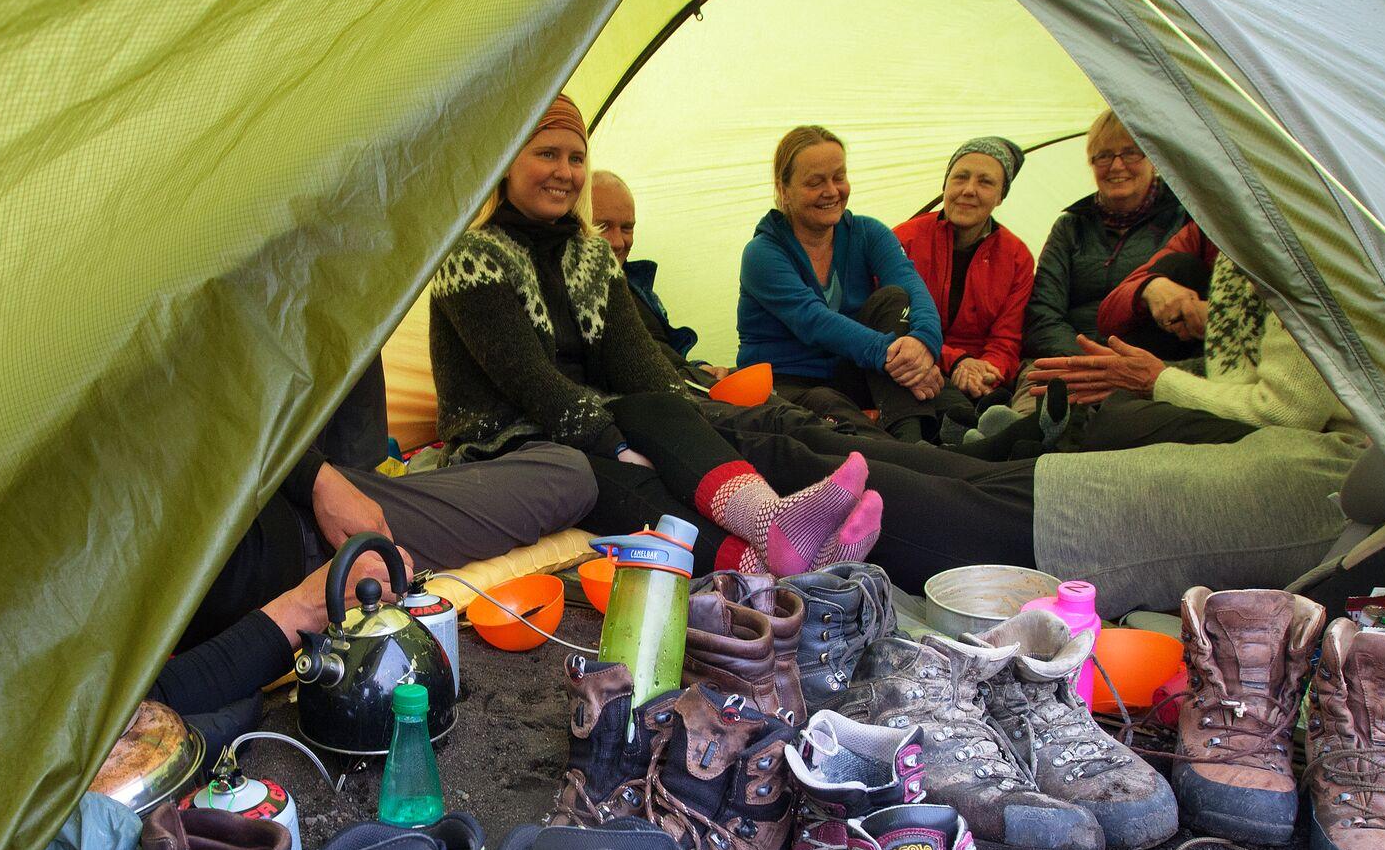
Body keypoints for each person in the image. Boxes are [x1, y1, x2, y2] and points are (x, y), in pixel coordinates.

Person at [722, 249, 1367, 614]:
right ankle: (733, 422)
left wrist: (971, 359)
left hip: (1309, 471)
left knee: (929, 489)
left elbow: (1287, 408)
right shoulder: (1237, 246)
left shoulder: (1312, 251)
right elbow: (1071, 310)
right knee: (953, 468)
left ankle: (726, 429)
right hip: (1262, 448)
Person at [430, 95, 880, 576]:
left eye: (576, 157)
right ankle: (770, 565)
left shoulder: (591, 256)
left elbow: (638, 363)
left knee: (662, 407)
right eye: (547, 154)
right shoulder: (469, 256)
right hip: (503, 439)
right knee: (601, 475)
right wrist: (616, 443)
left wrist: (687, 426)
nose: (565, 171)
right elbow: (527, 379)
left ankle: (774, 523)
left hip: (583, 416)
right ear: (505, 162)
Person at [155, 441, 596, 745]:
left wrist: (317, 479)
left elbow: (232, 409)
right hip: (294, 586)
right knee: (566, 478)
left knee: (571, 472)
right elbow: (145, 707)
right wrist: (306, 606)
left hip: (295, 499)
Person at [736, 125, 946, 433]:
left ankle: (952, 431)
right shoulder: (763, 254)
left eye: (839, 177)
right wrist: (897, 357)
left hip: (849, 370)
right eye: (815, 182)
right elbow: (812, 320)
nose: (832, 191)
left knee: (893, 300)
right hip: (786, 380)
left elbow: (911, 284)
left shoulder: (868, 232)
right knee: (837, 412)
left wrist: (923, 343)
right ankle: (919, 443)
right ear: (784, 190)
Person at [1022, 110, 1195, 368]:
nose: (1116, 166)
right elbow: (1042, 314)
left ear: (1154, 159)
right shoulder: (1070, 227)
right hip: (1070, 359)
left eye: (1130, 153)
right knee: (1039, 398)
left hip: (1153, 364)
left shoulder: (1185, 221)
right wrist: (1088, 360)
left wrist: (1127, 367)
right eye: (1103, 156)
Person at [892, 136, 1032, 428]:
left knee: (996, 403)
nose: (969, 190)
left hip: (981, 378)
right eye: (960, 178)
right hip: (916, 363)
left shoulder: (1017, 257)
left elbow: (1006, 339)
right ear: (945, 186)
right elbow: (891, 320)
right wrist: (955, 361)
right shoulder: (903, 239)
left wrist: (985, 371)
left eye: (985, 182)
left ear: (1001, 197)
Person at [590, 169, 713, 380]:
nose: (618, 242)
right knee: (778, 413)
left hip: (683, 383)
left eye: (627, 228)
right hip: (661, 396)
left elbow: (664, 352)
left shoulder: (636, 285)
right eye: (603, 226)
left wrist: (699, 368)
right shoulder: (579, 300)